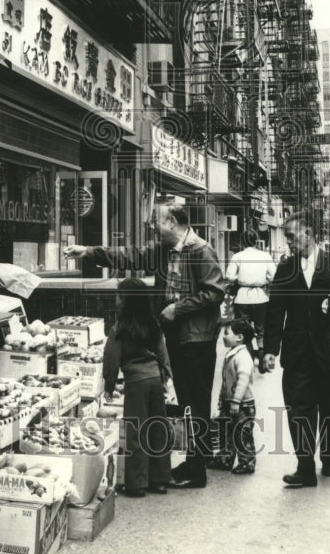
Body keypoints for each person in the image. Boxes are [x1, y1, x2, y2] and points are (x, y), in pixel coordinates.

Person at [64, 201, 226, 489]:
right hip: (177, 335)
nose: (153, 225)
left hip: (197, 339)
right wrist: (89, 251)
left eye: (158, 220)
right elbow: (131, 255)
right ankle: (194, 460)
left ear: (173, 223)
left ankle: (197, 468)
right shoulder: (164, 249)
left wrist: (179, 309)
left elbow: (215, 291)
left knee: (196, 403)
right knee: (188, 401)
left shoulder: (200, 250)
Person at [263, 210, 330, 488]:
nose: (288, 242)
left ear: (308, 234)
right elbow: (275, 311)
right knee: (298, 409)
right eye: (286, 238)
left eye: (292, 236)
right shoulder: (286, 268)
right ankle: (305, 466)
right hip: (296, 353)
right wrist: (269, 349)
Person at [103, 277, 173, 497]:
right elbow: (162, 353)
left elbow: (111, 359)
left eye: (119, 295)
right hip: (154, 381)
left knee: (135, 431)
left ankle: (137, 484)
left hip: (136, 383)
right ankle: (160, 480)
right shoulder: (153, 325)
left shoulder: (119, 329)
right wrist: (166, 377)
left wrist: (109, 385)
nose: (116, 299)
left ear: (126, 300)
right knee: (158, 429)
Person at [208, 318, 257, 475]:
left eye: (227, 333)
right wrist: (223, 400)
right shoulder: (233, 353)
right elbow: (227, 381)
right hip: (231, 402)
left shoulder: (242, 356)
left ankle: (247, 462)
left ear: (240, 337)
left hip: (243, 404)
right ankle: (225, 458)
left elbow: (242, 380)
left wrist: (236, 401)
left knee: (242, 434)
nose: (223, 336)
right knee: (227, 431)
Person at [225, 230, 276, 357]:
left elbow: (230, 277)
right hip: (260, 297)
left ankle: (246, 354)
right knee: (261, 328)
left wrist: (240, 278)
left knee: (242, 328)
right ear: (256, 241)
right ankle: (261, 351)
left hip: (242, 297)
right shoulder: (265, 256)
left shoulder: (237, 256)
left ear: (242, 242)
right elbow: (273, 276)